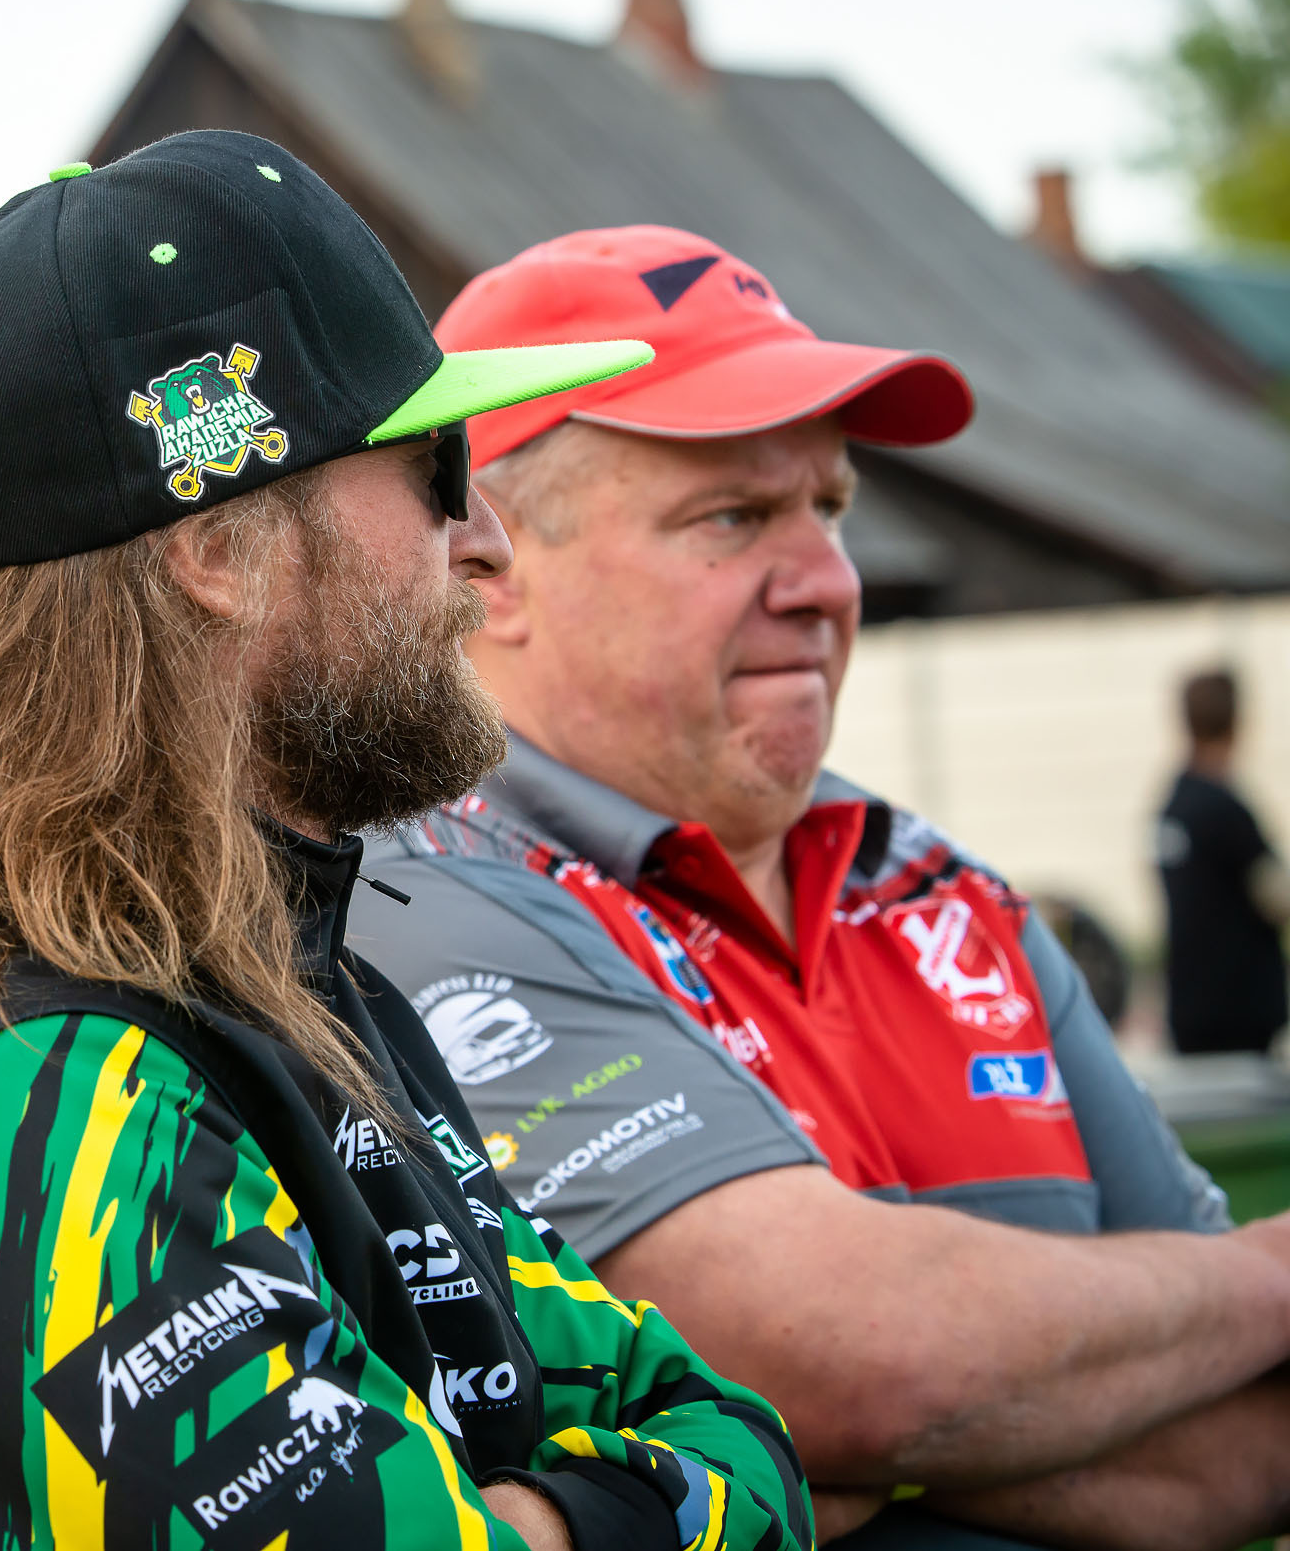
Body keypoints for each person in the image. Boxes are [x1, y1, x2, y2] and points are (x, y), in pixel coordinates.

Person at [0, 139, 813, 1551]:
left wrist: (537, 1520)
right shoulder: (34, 1093)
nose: (488, 542)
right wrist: (607, 1507)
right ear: (219, 548)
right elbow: (697, 1475)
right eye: (435, 465)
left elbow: (743, 1434)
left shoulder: (309, 999)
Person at [348, 226, 1290, 1548]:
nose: (829, 582)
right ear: (487, 567)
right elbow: (848, 1357)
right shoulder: (409, 894)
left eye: (831, 508)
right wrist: (1264, 1275)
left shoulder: (937, 888)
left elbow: (1258, 1429)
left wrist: (853, 1444)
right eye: (732, 516)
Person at [1159, 668, 1290, 1056]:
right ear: (1237, 723)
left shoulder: (1172, 805)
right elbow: (1277, 898)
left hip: (1189, 1005)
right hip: (1238, 1010)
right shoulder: (1225, 810)